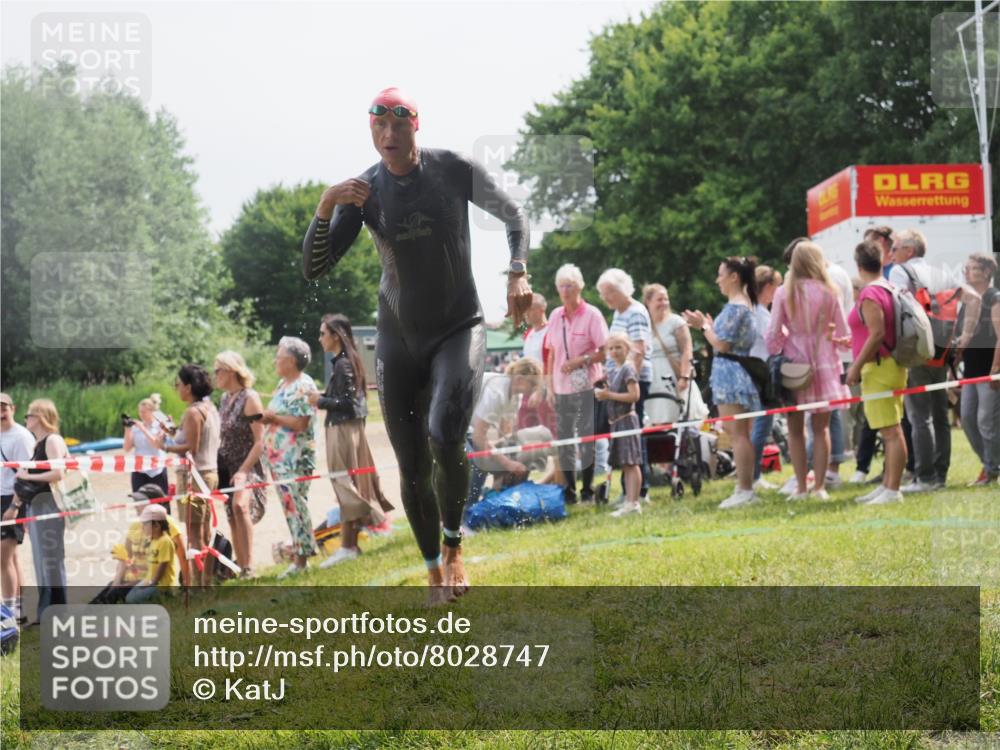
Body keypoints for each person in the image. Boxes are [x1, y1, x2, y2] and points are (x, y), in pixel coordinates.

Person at [302, 88, 531, 604]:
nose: (388, 137)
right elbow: (313, 268)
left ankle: (454, 548)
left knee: (446, 431)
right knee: (410, 464)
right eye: (378, 128)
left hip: (459, 326)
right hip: (397, 339)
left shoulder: (452, 169)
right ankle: (432, 572)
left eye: (397, 127)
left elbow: (516, 217)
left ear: (415, 128)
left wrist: (517, 273)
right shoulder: (364, 192)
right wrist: (325, 206)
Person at [888, 229, 981, 492]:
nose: (891, 254)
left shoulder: (900, 273)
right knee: (940, 415)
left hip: (915, 350)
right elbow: (973, 299)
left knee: (919, 417)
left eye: (895, 248)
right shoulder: (940, 273)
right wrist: (964, 337)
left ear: (909, 250)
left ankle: (925, 478)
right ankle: (940, 476)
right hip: (942, 351)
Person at [766, 241, 850, 500]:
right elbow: (844, 331)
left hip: (794, 366)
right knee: (821, 428)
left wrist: (782, 346)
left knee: (794, 430)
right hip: (824, 362)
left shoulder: (783, 292)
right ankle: (820, 487)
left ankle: (801, 487)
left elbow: (772, 336)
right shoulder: (829, 291)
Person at [309, 315, 393, 569]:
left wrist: (319, 401)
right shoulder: (346, 363)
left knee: (344, 484)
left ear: (336, 335)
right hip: (347, 428)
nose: (320, 338)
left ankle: (351, 543)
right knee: (348, 484)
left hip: (343, 430)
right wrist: (324, 397)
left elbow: (347, 404)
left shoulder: (343, 365)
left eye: (323, 333)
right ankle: (350, 545)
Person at [684, 257, 760, 509]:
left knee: (737, 435)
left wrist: (704, 326)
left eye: (721, 274)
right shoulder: (745, 304)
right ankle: (745, 486)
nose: (717, 280)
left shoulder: (736, 307)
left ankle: (745, 488)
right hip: (740, 371)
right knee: (741, 434)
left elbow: (722, 344)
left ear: (734, 277)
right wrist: (710, 326)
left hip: (730, 374)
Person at [845, 240, 908, 504]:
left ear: (859, 266)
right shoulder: (889, 287)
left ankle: (893, 489)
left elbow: (878, 333)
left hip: (879, 366)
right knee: (890, 429)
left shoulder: (870, 293)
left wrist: (856, 367)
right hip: (890, 364)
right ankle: (887, 486)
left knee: (891, 432)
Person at [545, 264, 609, 505]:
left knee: (586, 440)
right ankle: (569, 492)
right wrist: (550, 386)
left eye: (569, 285)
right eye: (561, 286)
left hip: (587, 386)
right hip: (561, 388)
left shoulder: (592, 314)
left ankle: (588, 491)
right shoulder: (554, 316)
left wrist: (581, 360)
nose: (565, 290)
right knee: (565, 443)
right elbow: (551, 353)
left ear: (580, 286)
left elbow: (605, 352)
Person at [262, 337, 319, 578]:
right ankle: (297, 554)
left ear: (292, 361)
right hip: (278, 459)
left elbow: (301, 423)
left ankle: (302, 559)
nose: (275, 360)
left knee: (297, 505)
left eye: (279, 356)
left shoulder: (303, 385)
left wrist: (273, 418)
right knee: (289, 507)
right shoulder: (282, 384)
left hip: (294, 458)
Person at [8, 399, 69, 621]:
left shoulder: (52, 440)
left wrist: (27, 475)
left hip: (48, 505)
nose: (27, 420)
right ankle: (48, 612)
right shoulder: (39, 442)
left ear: (41, 416)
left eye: (30, 415)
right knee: (43, 561)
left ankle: (54, 613)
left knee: (50, 560)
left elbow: (58, 473)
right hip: (38, 505)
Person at [160, 364, 220, 587]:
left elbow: (191, 447)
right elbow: (193, 439)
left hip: (194, 476)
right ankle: (206, 581)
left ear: (188, 387)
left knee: (194, 534)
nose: (177, 389)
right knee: (204, 530)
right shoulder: (208, 408)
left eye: (178, 384)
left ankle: (197, 585)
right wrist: (173, 432)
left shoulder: (193, 412)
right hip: (207, 472)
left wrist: (165, 445)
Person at [597, 269, 653, 503]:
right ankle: (628, 490)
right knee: (622, 438)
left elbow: (637, 351)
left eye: (609, 292)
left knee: (632, 437)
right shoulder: (619, 313)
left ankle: (639, 492)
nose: (605, 298)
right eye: (602, 294)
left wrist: (627, 381)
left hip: (631, 383)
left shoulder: (636, 311)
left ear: (622, 290)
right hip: (618, 383)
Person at [466, 357, 552, 505]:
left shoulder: (515, 398)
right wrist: (507, 463)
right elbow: (478, 437)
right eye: (532, 384)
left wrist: (513, 457)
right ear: (519, 379)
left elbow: (506, 434)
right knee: (477, 464)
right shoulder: (496, 392)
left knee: (514, 454)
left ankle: (499, 499)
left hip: (470, 431)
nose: (534, 390)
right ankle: (464, 513)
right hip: (454, 427)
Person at [214, 351, 267, 577]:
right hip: (227, 466)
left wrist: (244, 471)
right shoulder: (224, 399)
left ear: (231, 371)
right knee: (230, 514)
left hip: (248, 466)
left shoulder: (250, 398)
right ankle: (241, 564)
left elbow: (260, 442)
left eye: (218, 370)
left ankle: (249, 566)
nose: (214, 375)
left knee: (240, 506)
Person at [93, 484, 188, 604]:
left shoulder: (168, 524)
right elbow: (125, 558)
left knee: (116, 597)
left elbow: (183, 557)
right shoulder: (135, 526)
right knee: (107, 593)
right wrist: (117, 581)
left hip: (148, 580)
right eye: (135, 501)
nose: (135, 506)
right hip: (134, 578)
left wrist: (186, 585)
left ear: (153, 505)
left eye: (140, 501)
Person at [956, 253, 1000, 485]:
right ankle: (990, 464)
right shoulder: (969, 300)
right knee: (968, 419)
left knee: (986, 421)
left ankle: (991, 470)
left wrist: (995, 368)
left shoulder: (994, 298)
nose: (966, 271)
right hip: (970, 372)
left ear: (986, 272)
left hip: (989, 371)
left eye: (972, 268)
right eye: (966, 267)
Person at [642, 283, 707, 426]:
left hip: (674, 379)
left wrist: (684, 377)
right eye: (659, 299)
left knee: (679, 420)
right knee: (655, 423)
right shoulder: (643, 325)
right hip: (652, 381)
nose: (664, 303)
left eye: (666, 299)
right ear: (648, 301)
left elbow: (687, 350)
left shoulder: (676, 322)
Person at [595, 333, 643, 517]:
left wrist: (609, 396)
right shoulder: (614, 371)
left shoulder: (628, 370)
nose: (614, 352)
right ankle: (629, 501)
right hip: (616, 422)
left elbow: (634, 396)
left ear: (627, 349)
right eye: (611, 348)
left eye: (618, 347)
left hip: (627, 420)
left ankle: (633, 502)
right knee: (625, 463)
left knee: (631, 462)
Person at [0, 393, 35, 622]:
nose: (1, 412)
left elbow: (27, 474)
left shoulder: (22, 436)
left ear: (13, 408)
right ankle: (21, 608)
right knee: (10, 558)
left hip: (14, 498)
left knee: (2, 557)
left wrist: (15, 505)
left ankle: (8, 612)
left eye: (4, 407)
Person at [747, 266, 782, 490]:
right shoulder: (760, 313)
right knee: (762, 425)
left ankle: (752, 474)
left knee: (759, 425)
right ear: (768, 287)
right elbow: (772, 341)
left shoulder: (755, 311)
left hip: (756, 372)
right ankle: (753, 475)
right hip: (762, 373)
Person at [125, 503, 180, 603]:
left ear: (157, 526)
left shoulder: (165, 541)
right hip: (150, 580)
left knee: (131, 599)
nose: (142, 527)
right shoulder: (153, 540)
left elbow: (162, 566)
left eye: (145, 524)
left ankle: (166, 597)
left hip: (162, 585)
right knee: (129, 595)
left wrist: (152, 582)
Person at [123, 397, 169, 498]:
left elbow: (156, 445)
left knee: (161, 501)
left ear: (152, 412)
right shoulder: (136, 428)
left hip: (157, 469)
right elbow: (127, 448)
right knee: (140, 501)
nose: (141, 414)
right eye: (140, 412)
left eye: (144, 412)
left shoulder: (159, 426)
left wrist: (143, 428)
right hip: (139, 469)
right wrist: (127, 429)